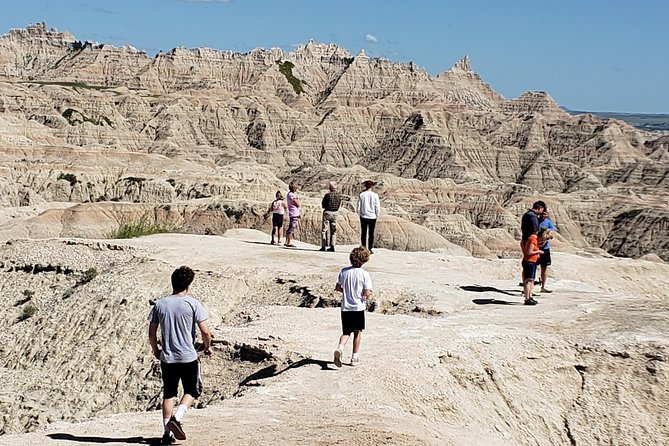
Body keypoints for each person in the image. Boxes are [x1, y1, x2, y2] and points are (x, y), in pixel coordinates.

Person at [148, 266, 213, 444]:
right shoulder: (193, 303)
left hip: (167, 357)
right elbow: (205, 332)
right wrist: (207, 347)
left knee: (169, 393)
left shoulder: (160, 304)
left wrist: (156, 350)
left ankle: (166, 433)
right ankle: (177, 418)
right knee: (192, 390)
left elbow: (152, 334)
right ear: (188, 285)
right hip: (188, 356)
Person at [333, 246, 373, 367]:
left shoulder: (344, 271)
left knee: (346, 332)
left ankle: (340, 348)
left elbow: (338, 288)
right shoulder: (365, 274)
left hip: (345, 308)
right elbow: (367, 292)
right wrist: (368, 294)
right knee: (357, 332)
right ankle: (354, 357)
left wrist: (346, 291)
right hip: (358, 307)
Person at [519, 200, 547, 285]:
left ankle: (526, 286)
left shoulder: (527, 214)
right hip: (531, 241)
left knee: (526, 264)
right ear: (540, 208)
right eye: (543, 209)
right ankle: (528, 287)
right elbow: (536, 230)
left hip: (525, 240)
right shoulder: (533, 216)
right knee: (531, 264)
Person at [521, 229, 550, 305]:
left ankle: (530, 297)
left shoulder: (535, 239)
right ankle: (527, 298)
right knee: (528, 281)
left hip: (533, 262)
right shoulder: (533, 239)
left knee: (532, 281)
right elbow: (529, 252)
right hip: (529, 262)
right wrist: (538, 252)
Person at [357, 180, 381, 254]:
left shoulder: (362, 195)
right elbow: (377, 206)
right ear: (372, 186)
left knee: (363, 233)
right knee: (371, 233)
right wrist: (377, 214)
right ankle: (370, 249)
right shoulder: (375, 195)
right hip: (372, 216)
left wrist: (360, 213)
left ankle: (363, 247)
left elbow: (359, 206)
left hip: (363, 216)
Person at [320, 181, 343, 252]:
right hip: (335, 213)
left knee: (324, 230)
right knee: (333, 231)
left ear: (330, 187)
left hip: (327, 212)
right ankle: (332, 246)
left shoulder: (327, 195)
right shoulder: (339, 195)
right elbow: (339, 204)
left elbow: (323, 204)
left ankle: (324, 246)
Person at [538, 209, 556, 293]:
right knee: (532, 266)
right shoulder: (535, 221)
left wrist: (545, 238)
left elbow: (552, 234)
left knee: (544, 268)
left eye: (545, 214)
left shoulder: (548, 222)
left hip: (545, 248)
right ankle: (530, 285)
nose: (544, 215)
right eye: (543, 213)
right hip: (535, 247)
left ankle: (543, 286)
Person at [285, 181, 301, 248]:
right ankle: (289, 242)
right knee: (292, 227)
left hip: (293, 212)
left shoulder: (290, 194)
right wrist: (298, 199)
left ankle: (287, 241)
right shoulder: (292, 195)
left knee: (291, 227)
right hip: (294, 213)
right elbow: (298, 204)